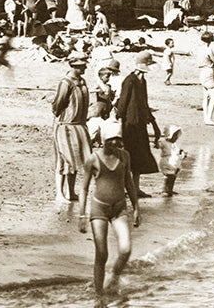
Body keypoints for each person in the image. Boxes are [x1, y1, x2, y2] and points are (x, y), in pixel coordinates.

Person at [78, 121, 140, 302]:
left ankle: (113, 276)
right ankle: (99, 296)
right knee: (102, 252)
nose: (114, 144)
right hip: (99, 208)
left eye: (118, 140)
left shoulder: (125, 156)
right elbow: (83, 188)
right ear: (104, 139)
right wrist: (82, 215)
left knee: (126, 248)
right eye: (111, 140)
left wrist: (136, 207)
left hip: (120, 207)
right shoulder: (93, 159)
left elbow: (129, 182)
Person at [114, 52, 160, 198]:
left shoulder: (141, 81)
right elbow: (123, 102)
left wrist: (152, 120)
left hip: (139, 124)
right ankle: (126, 188)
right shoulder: (130, 81)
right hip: (130, 125)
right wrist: (119, 119)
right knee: (129, 157)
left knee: (138, 157)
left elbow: (144, 103)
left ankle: (135, 188)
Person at [53, 59, 92, 203]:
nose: (85, 67)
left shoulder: (82, 81)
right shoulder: (66, 82)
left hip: (79, 125)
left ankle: (71, 192)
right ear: (75, 66)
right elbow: (58, 104)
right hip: (66, 125)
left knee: (75, 159)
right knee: (63, 160)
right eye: (83, 66)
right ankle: (59, 194)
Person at [198, 31, 214, 125]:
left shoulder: (200, 49)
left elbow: (208, 59)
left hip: (202, 72)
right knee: (213, 96)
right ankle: (208, 119)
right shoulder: (209, 49)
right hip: (208, 72)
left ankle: (206, 117)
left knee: (206, 96)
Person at [156, 125, 186, 197]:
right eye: (174, 136)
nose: (176, 138)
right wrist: (156, 143)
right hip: (166, 162)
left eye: (176, 136)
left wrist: (182, 153)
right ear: (170, 135)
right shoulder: (164, 142)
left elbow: (178, 151)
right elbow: (158, 145)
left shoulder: (174, 144)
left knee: (173, 176)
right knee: (168, 176)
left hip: (174, 163)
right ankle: (165, 189)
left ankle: (170, 189)